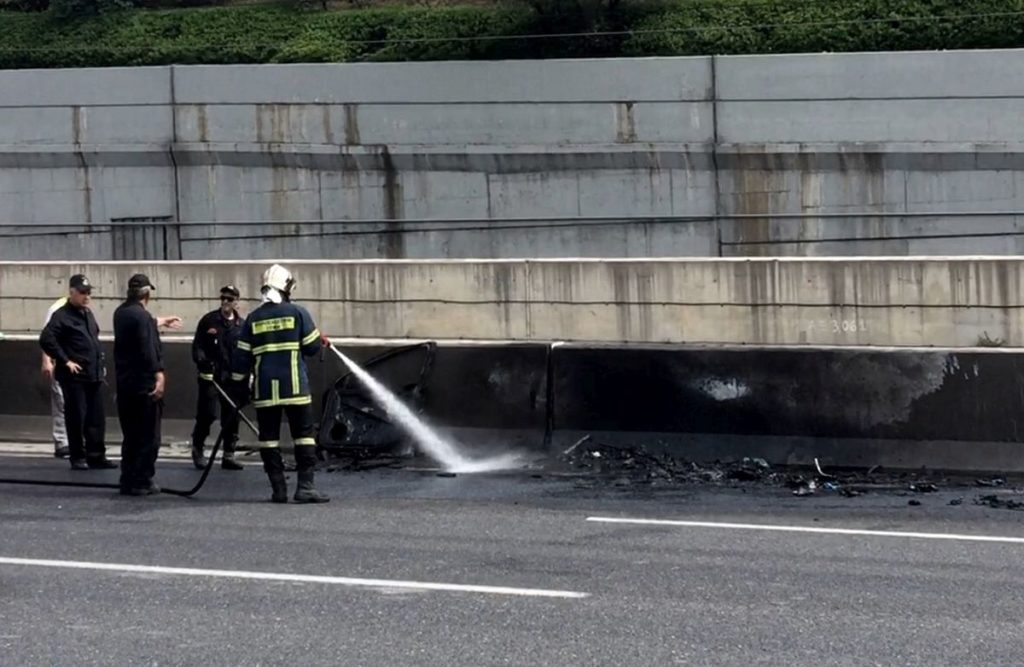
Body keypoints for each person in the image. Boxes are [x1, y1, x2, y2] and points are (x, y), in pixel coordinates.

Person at [230, 264, 329, 504]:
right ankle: (305, 487)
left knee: (268, 439)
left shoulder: (252, 319)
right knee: (304, 436)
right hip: (295, 387)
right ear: (286, 288)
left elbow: (241, 360)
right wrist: (318, 339)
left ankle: (278, 490)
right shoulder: (298, 313)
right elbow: (312, 347)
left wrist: (239, 388)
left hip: (265, 391)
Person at [39, 275, 117, 471]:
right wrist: (65, 360)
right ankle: (78, 455)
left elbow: (93, 340)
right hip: (74, 376)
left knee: (96, 417)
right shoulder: (61, 315)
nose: (86, 296)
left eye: (89, 293)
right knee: (77, 417)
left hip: (93, 373)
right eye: (82, 293)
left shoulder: (87, 314)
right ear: (72, 292)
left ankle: (96, 455)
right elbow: (46, 339)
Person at [113, 274, 180, 496]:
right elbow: (148, 349)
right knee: (149, 437)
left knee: (131, 436)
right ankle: (142, 479)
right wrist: (159, 375)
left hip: (125, 386)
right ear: (147, 294)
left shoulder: (121, 313)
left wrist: (161, 321)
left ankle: (128, 478)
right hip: (144, 386)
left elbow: (142, 324)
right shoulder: (141, 317)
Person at [190, 284, 245, 471]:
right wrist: (202, 361)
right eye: (223, 298)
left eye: (229, 299)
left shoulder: (242, 326)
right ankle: (198, 448)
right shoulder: (209, 321)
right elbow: (197, 346)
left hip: (232, 379)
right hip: (210, 378)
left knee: (231, 416)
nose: (225, 302)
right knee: (207, 415)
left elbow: (246, 353)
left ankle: (229, 454)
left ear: (237, 302)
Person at [41, 295, 70, 459]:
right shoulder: (57, 308)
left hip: (75, 363)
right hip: (60, 362)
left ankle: (73, 441)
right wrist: (46, 361)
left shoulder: (82, 309)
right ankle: (62, 442)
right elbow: (47, 336)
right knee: (61, 401)